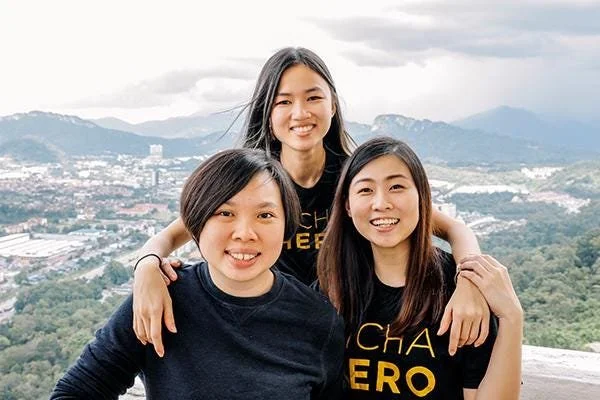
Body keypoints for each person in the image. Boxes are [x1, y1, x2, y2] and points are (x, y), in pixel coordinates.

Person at [132, 47, 490, 358]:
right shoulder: (254, 183)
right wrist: (147, 267)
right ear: (267, 114)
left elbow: (453, 230)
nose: (300, 113)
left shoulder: (355, 180)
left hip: (345, 330)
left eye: (313, 98)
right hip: (270, 326)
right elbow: (173, 234)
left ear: (333, 105)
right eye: (284, 102)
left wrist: (469, 283)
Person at [51, 149, 345, 399]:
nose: (245, 233)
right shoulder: (162, 299)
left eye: (265, 215)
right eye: (225, 213)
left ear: (286, 225)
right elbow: (78, 391)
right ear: (196, 222)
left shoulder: (318, 320)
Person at [317, 137, 523, 399]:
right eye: (365, 190)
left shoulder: (462, 294)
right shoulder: (331, 288)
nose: (381, 203)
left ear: (422, 197)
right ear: (347, 205)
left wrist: (512, 318)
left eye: (396, 187)